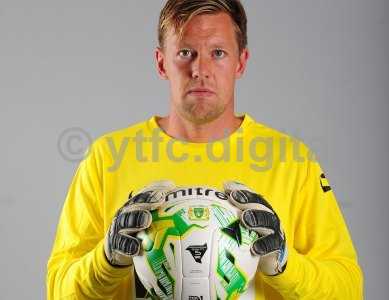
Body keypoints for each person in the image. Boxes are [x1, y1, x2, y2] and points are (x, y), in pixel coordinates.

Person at [47, 0, 363, 299]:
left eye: (218, 53)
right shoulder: (106, 158)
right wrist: (107, 260)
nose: (200, 69)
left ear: (241, 62)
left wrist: (285, 264)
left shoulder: (291, 161)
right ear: (161, 63)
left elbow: (349, 288)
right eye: (185, 52)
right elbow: (58, 290)